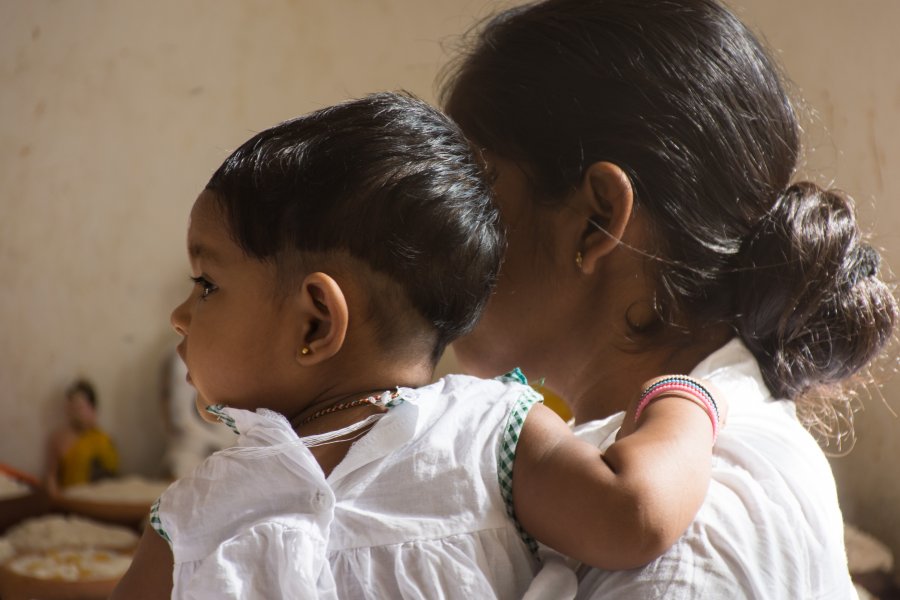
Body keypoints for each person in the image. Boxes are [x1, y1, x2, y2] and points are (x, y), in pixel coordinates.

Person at [112, 91, 728, 599]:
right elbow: (631, 513)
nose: (179, 316)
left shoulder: (486, 435)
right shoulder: (194, 510)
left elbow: (630, 513)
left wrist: (686, 398)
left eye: (206, 284)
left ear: (316, 322)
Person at [438, 0, 898, 598]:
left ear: (596, 221)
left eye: (474, 190)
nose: (440, 233)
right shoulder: (612, 476)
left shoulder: (678, 560)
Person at [44, 379, 119, 496]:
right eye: (71, 407)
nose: (75, 413)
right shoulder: (60, 438)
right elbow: (51, 477)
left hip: (104, 499)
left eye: (80, 407)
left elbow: (114, 477)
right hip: (73, 500)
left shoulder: (105, 439)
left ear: (92, 408)